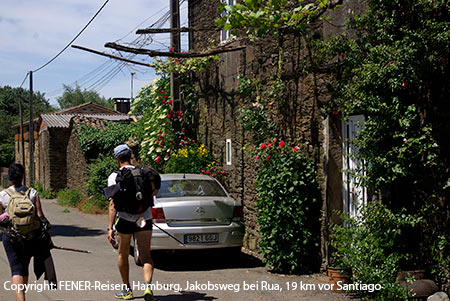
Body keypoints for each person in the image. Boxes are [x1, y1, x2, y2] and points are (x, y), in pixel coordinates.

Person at [107, 144, 157, 301]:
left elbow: (112, 205)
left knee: (122, 253)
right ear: (130, 156)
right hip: (144, 218)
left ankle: (126, 289)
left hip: (125, 219)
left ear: (117, 158)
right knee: (145, 255)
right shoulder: (143, 173)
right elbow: (154, 193)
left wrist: (109, 228)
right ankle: (148, 287)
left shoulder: (115, 176)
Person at [0, 163, 53, 301]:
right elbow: (40, 216)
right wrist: (48, 235)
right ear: (23, 176)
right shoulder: (32, 192)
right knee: (24, 267)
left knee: (15, 268)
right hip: (30, 237)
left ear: (10, 177)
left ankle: (20, 299)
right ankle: (22, 296)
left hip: (11, 237)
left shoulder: (3, 195)